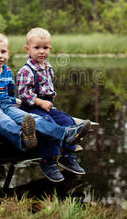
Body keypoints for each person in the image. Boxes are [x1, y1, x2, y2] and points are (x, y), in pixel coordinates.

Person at [0, 32, 90, 157]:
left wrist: (13, 107)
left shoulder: (7, 71)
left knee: (30, 118)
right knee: (3, 120)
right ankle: (23, 140)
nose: (0, 56)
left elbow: (10, 92)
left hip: (6, 105)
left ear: (8, 53)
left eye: (3, 52)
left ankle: (66, 134)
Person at [17, 28, 89, 182]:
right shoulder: (26, 70)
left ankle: (67, 156)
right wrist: (40, 102)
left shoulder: (48, 67)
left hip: (47, 107)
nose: (41, 51)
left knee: (67, 121)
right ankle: (48, 161)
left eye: (45, 48)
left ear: (50, 49)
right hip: (31, 107)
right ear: (27, 49)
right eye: (37, 48)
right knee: (47, 124)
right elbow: (23, 93)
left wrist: (48, 104)